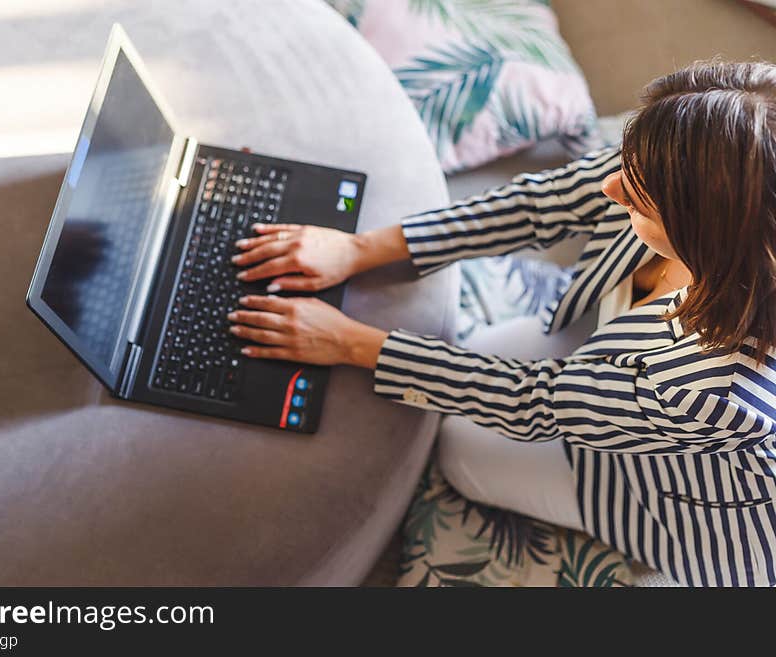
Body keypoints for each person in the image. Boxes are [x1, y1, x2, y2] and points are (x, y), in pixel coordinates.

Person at [226, 60, 776, 587]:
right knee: (487, 353)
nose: (611, 188)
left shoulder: (717, 392)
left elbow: (533, 401)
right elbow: (544, 203)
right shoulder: (689, 154)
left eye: (639, 200)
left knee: (461, 452)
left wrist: (346, 342)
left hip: (681, 497)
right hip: (615, 352)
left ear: (714, 238)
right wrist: (358, 250)